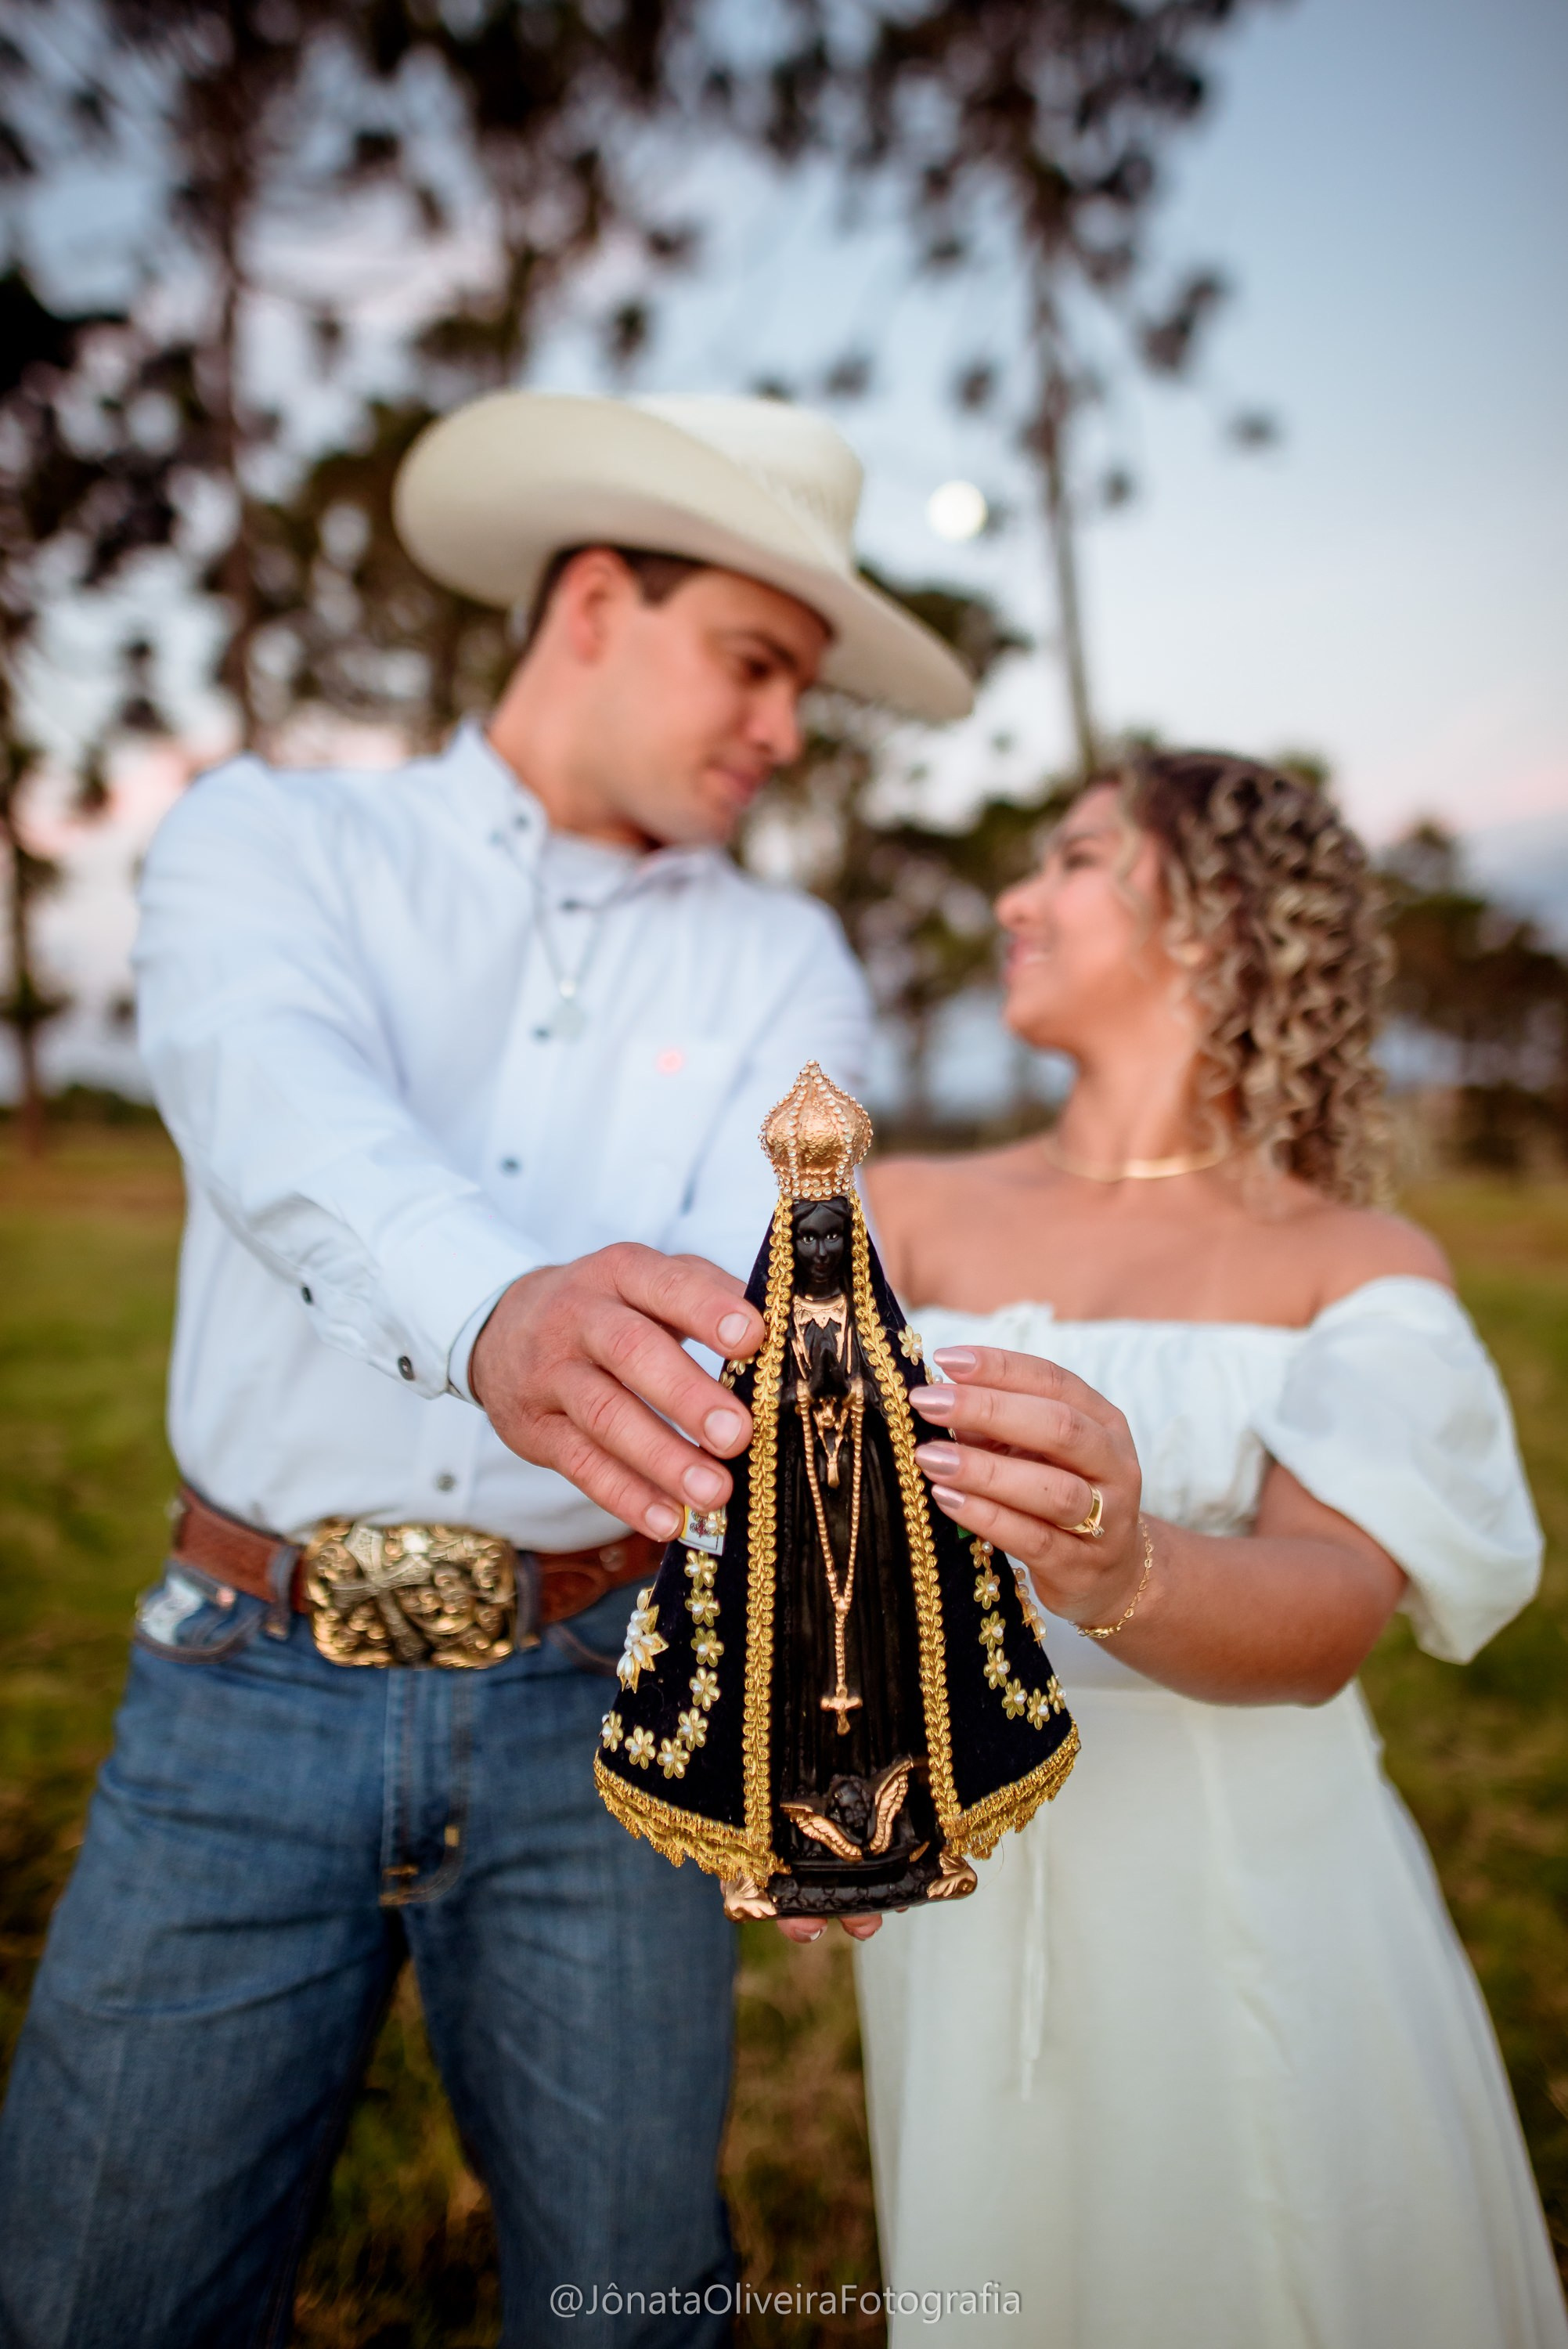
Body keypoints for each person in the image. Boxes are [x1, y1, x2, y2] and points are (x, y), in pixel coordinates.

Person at [0, 389, 972, 2349]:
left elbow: (775, 1312)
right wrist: (494, 1310)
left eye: (805, 690)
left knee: (631, 2302)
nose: (785, 729)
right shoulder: (275, 837)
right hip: (239, 1684)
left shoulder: (786, 957)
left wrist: (809, 1704)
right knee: (102, 2296)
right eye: (758, 663)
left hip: (596, 1703)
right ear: (596, 598)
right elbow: (276, 1106)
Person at [852, 752, 1568, 2348]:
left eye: (1078, 860)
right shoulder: (897, 1212)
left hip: (1246, 1882)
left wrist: (1123, 1568)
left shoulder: (1351, 1260)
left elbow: (1325, 1621)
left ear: (1218, 921)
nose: (1014, 899)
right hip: (957, 1893)